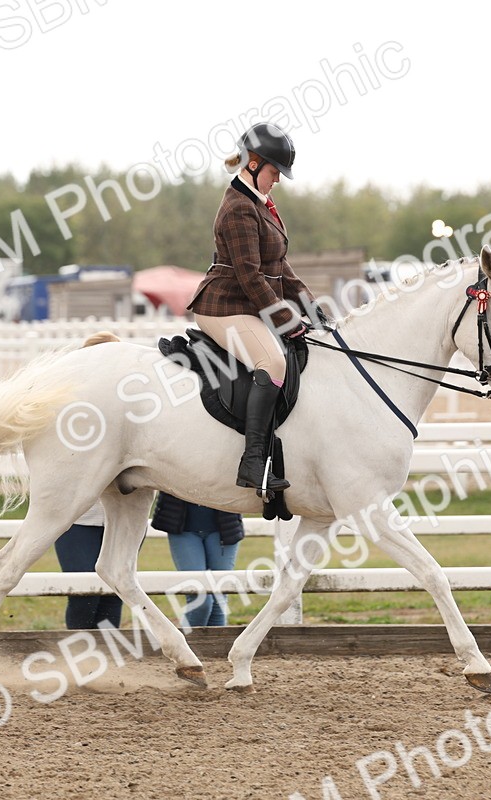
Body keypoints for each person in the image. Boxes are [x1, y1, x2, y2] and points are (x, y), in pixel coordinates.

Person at [186, 121, 323, 493]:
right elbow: (249, 275)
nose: (277, 180)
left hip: (245, 304)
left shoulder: (258, 204)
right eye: (274, 172)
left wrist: (308, 304)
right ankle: (253, 462)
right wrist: (283, 316)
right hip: (223, 307)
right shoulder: (238, 209)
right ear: (253, 165)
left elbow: (278, 266)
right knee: (273, 362)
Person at [151, 491, 244, 627]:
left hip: (224, 527)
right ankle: (186, 647)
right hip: (183, 529)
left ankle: (215, 647)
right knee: (200, 599)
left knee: (219, 600)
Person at [53, 501, 123, 629]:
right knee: (83, 596)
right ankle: (79, 647)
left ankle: (106, 648)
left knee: (114, 594)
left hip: (126, 517)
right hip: (77, 518)